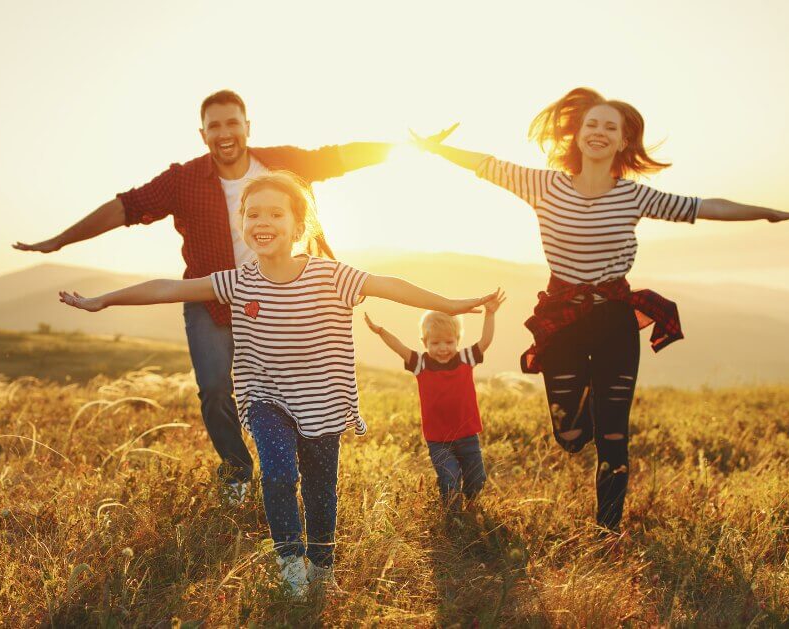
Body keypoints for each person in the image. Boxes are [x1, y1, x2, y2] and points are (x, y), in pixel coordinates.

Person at [57, 171, 497, 595]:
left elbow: (390, 286)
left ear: (298, 226)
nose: (262, 222)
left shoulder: (331, 275)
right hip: (265, 399)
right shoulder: (238, 281)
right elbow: (167, 288)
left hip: (324, 402)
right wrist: (104, 300)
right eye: (253, 214)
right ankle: (289, 561)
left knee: (322, 489)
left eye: (275, 214)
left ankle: (321, 564)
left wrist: (452, 305)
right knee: (279, 473)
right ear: (242, 223)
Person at [414, 87, 789, 532]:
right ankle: (589, 418)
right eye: (592, 124)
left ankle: (608, 530)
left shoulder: (634, 196)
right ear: (578, 135)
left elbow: (705, 206)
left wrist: (767, 213)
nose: (599, 132)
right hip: (562, 320)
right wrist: (434, 147)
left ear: (623, 142)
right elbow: (485, 165)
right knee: (570, 435)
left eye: (610, 127)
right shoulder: (543, 184)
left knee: (614, 436)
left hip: (615, 319)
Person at [15, 90, 397, 503]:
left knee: (296, 385)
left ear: (247, 127)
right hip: (211, 297)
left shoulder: (281, 162)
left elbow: (339, 157)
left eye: (233, 123)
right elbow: (126, 207)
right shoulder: (184, 179)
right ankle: (237, 472)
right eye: (215, 126)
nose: (225, 133)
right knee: (215, 390)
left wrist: (414, 146)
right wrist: (58, 241)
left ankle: (297, 469)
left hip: (285, 298)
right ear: (203, 134)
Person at [363, 289, 504, 512]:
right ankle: (453, 517)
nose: (443, 348)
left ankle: (472, 505)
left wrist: (490, 314)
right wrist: (381, 331)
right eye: (435, 343)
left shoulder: (465, 358)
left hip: (467, 434)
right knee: (449, 479)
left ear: (458, 340)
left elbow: (485, 341)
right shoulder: (420, 363)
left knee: (477, 478)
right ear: (425, 342)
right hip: (438, 439)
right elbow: (399, 347)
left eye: (449, 342)